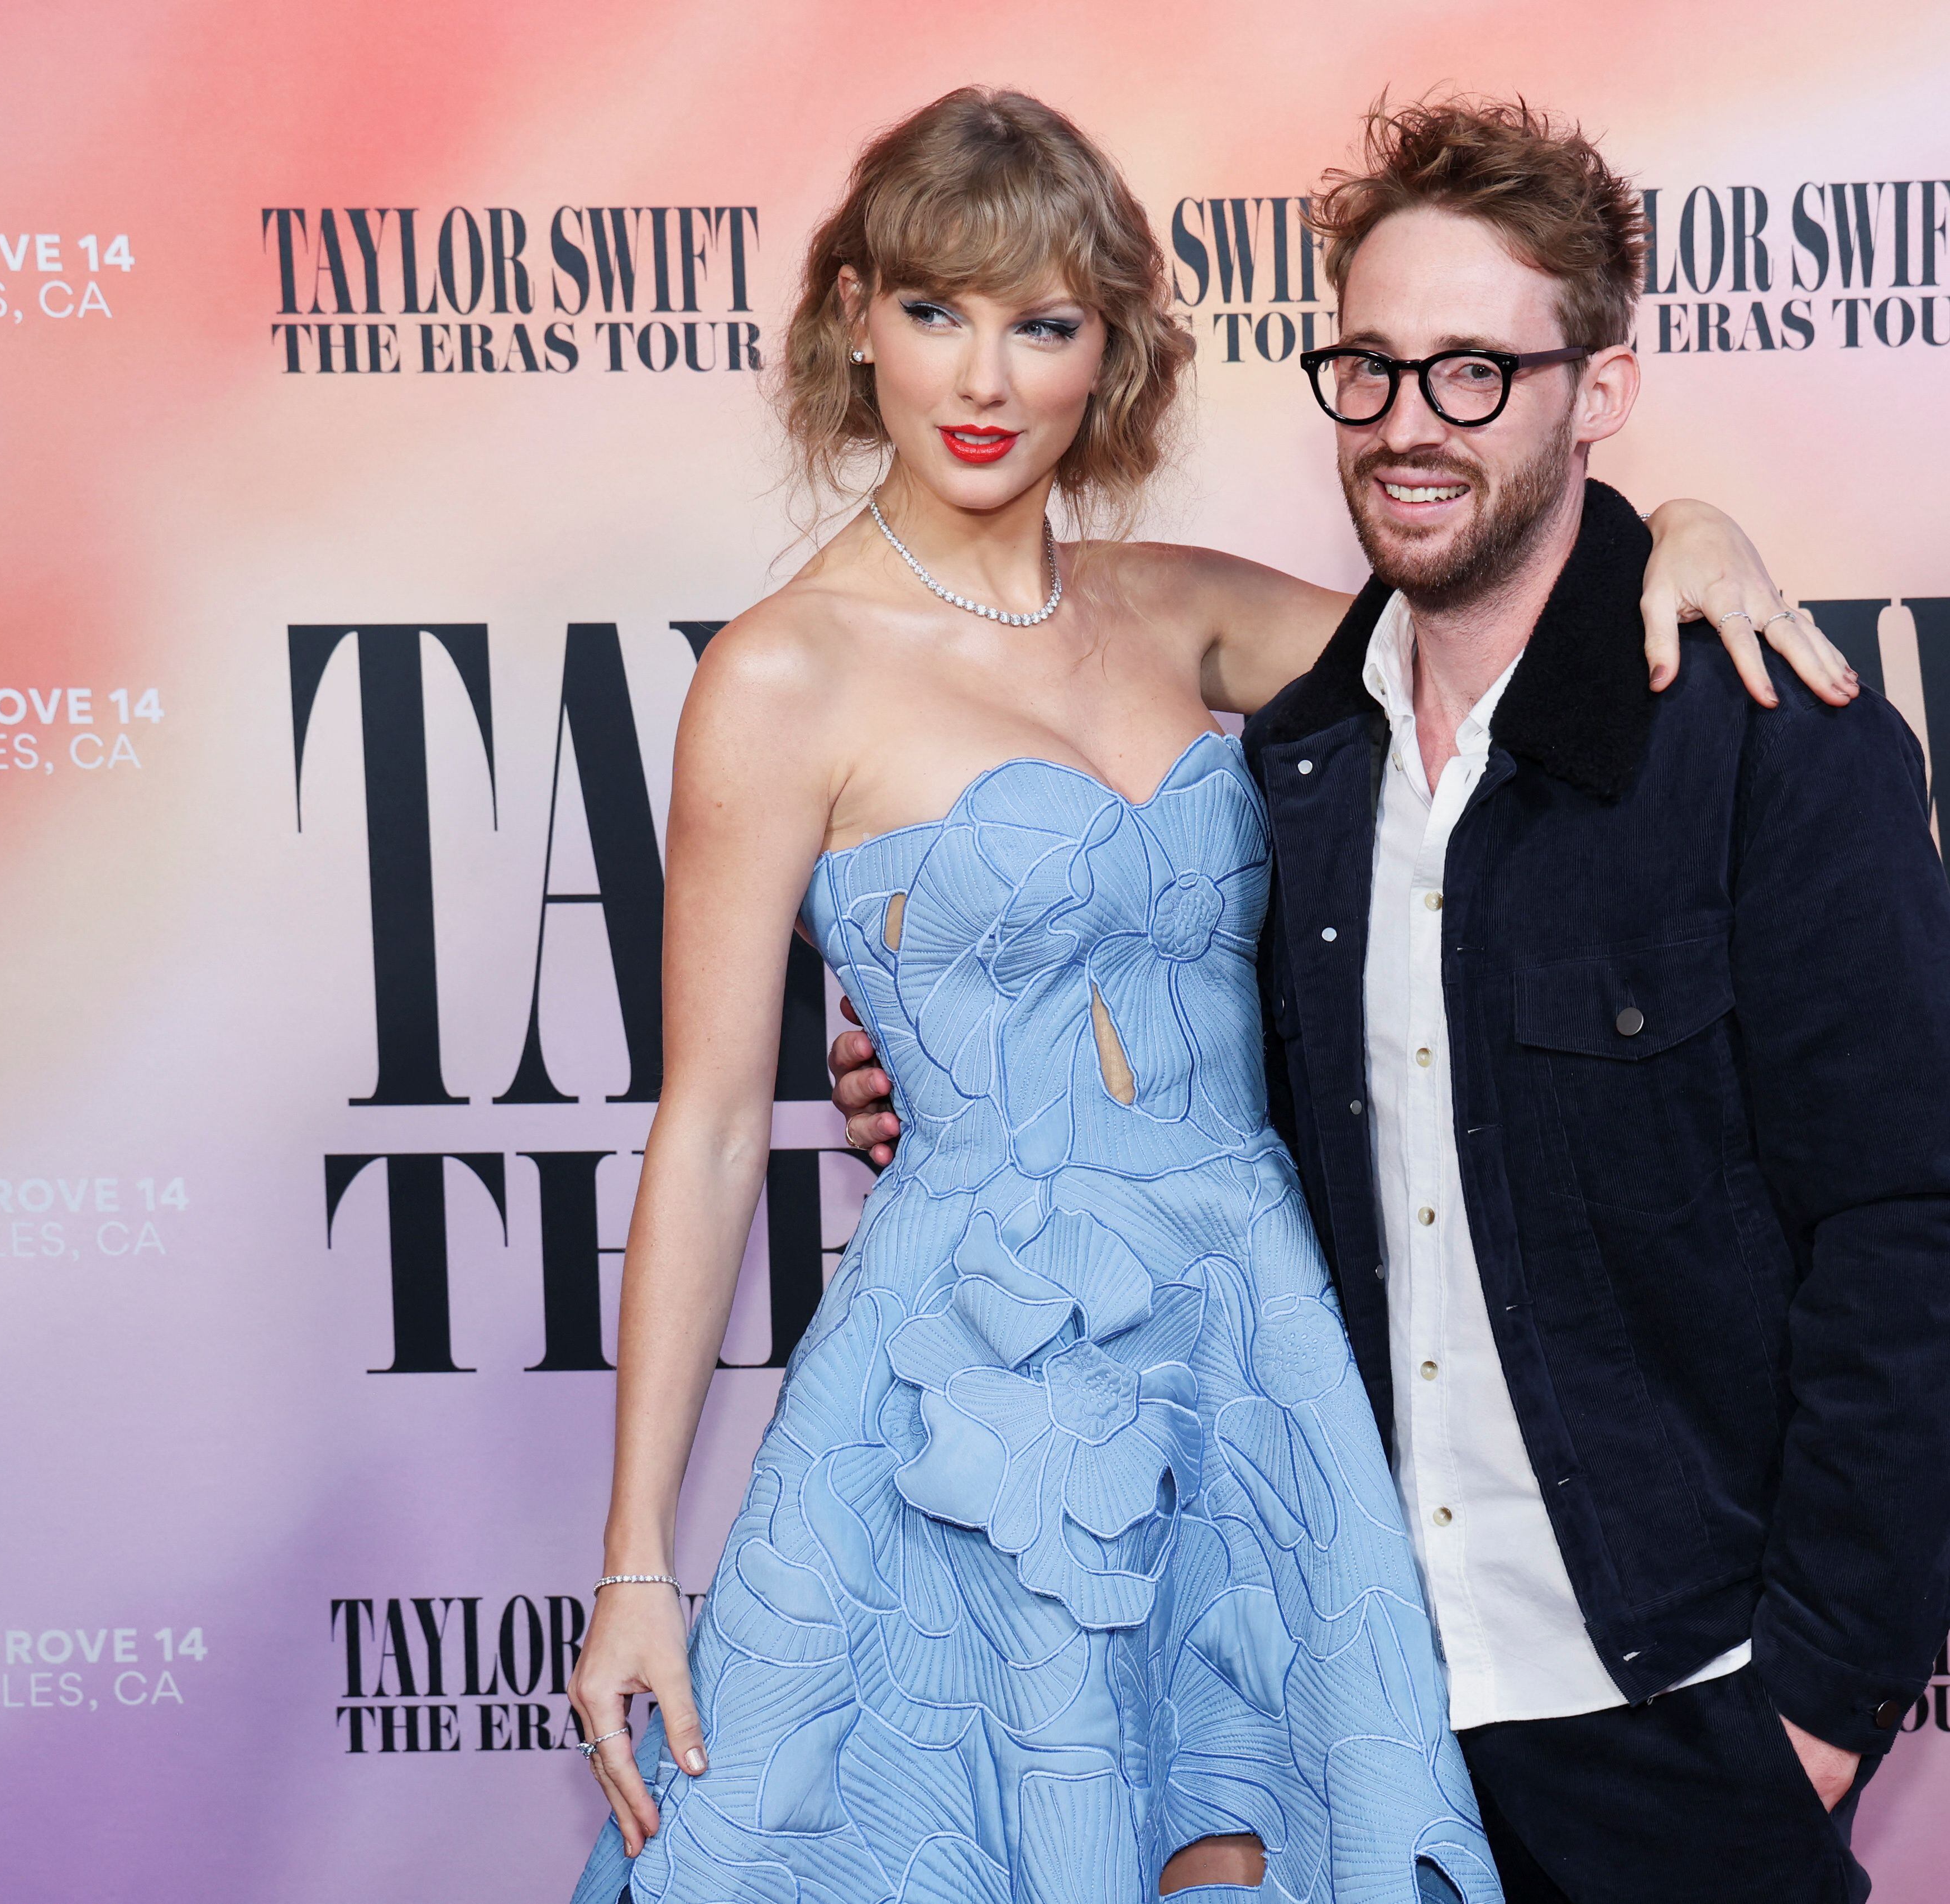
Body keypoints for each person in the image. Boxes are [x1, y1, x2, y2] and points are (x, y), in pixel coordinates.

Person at [567, 87, 1856, 1904]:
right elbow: (706, 1130)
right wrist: (635, 1556)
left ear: (1112, 352)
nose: (983, 378)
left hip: (1251, 1343)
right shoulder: (783, 677)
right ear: (854, 319)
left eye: (1042, 322)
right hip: (985, 1373)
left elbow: (1494, 633)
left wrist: (1688, 532)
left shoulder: (1184, 608)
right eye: (934, 310)